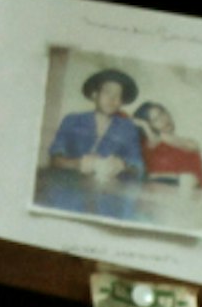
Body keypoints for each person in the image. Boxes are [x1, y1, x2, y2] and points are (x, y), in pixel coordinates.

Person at [44, 68, 147, 218]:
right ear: (94, 95)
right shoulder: (72, 120)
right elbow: (55, 158)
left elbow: (138, 166)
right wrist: (78, 163)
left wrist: (122, 165)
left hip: (109, 191)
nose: (113, 99)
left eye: (118, 95)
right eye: (107, 92)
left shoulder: (128, 128)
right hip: (70, 186)